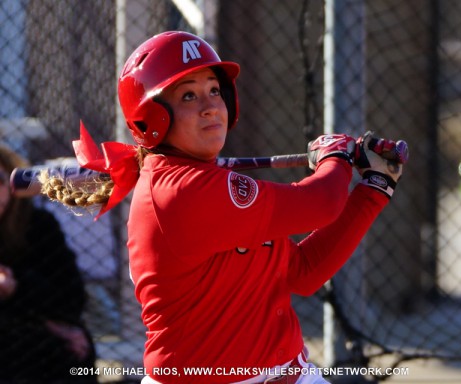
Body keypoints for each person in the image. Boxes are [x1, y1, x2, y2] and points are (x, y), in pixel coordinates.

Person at [40, 31, 404, 384]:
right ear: (150, 118)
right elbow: (321, 203)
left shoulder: (207, 182)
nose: (211, 106)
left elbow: (302, 272)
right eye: (188, 96)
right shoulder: (182, 191)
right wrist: (336, 155)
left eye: (214, 90)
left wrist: (374, 187)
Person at [0, 144, 98, 383]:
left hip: (32, 332)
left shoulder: (37, 225)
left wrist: (17, 288)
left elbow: (71, 297)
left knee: (73, 347)